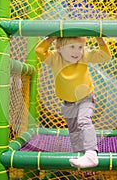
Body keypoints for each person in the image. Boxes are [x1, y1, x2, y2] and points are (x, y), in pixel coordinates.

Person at [35, 36, 111, 168]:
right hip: (68, 102)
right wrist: (51, 38)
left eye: (80, 47)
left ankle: (91, 154)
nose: (77, 52)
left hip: (86, 98)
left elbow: (105, 56)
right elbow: (39, 51)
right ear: (59, 49)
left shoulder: (84, 55)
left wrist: (100, 40)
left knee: (83, 120)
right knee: (74, 130)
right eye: (72, 47)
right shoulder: (55, 58)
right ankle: (79, 155)